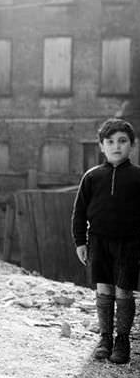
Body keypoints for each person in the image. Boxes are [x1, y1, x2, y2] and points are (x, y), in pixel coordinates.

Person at [72, 118, 140, 364]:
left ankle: (122, 340)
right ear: (101, 146)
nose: (116, 146)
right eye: (110, 142)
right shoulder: (92, 177)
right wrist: (81, 242)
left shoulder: (137, 177)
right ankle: (105, 338)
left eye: (122, 141)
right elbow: (79, 212)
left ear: (131, 145)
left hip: (129, 243)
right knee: (103, 287)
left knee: (124, 289)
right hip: (98, 241)